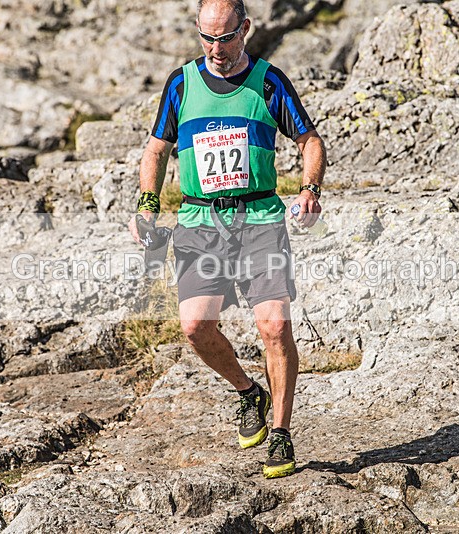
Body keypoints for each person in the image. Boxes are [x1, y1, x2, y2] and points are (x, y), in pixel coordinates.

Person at [128, 0, 326, 479]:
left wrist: (310, 190)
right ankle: (247, 392)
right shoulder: (182, 82)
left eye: (226, 36)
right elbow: (155, 151)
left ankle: (280, 433)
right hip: (199, 221)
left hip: (259, 217)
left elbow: (310, 141)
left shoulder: (269, 81)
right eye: (206, 37)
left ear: (247, 29)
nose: (216, 48)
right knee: (195, 327)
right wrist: (147, 206)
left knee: (275, 327)